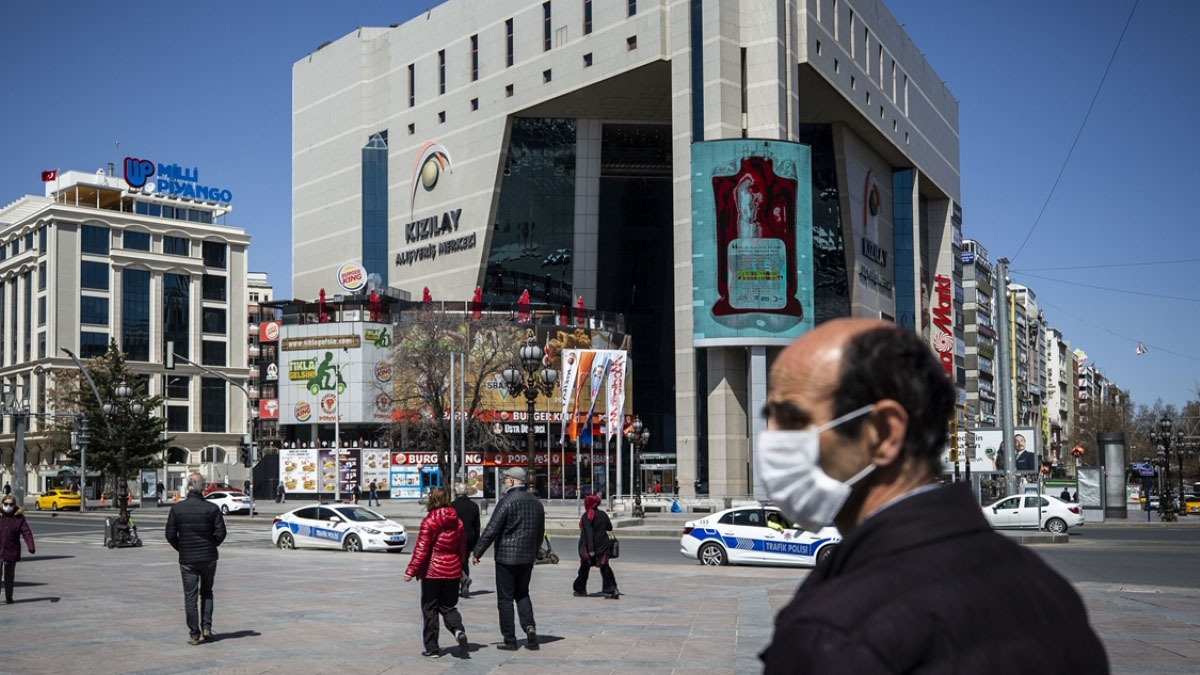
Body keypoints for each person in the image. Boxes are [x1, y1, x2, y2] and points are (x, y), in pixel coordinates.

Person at [757, 319, 1108, 673]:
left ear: (883, 434)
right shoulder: (1050, 593)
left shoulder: (831, 632)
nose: (769, 438)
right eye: (767, 418)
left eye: (791, 419)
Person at [471, 467, 545, 651]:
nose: (504, 483)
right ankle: (530, 628)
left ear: (512, 481)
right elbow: (540, 532)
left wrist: (478, 552)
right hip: (526, 558)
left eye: (505, 480)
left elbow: (492, 529)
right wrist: (534, 552)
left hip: (506, 558)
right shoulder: (536, 503)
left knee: (505, 599)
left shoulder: (507, 501)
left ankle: (510, 639)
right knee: (522, 594)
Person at [404, 488, 470, 659]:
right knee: (449, 607)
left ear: (431, 501)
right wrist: (460, 563)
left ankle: (432, 648)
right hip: (453, 570)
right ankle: (458, 631)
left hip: (432, 572)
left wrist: (411, 571)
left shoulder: (429, 521)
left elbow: (421, 549)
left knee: (430, 608)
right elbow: (462, 546)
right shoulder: (458, 521)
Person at [165, 473, 227, 645]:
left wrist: (182, 548)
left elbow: (170, 534)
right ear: (204, 488)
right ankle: (207, 627)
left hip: (188, 559)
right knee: (207, 592)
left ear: (188, 487)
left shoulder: (177, 509)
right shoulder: (212, 508)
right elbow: (221, 533)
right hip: (208, 558)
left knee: (190, 596)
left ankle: (194, 634)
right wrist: (211, 545)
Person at [572, 494, 619, 599]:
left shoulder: (586, 516)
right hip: (603, 546)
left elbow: (589, 533)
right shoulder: (603, 514)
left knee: (584, 568)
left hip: (589, 547)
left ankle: (580, 589)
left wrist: (590, 549)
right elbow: (609, 527)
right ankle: (611, 588)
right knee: (604, 567)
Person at [0, 494, 35, 604]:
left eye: (11, 504)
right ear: (2, 504)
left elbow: (26, 532)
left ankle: (9, 597)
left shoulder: (19, 518)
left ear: (15, 505)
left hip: (11, 551)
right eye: (6, 504)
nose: (8, 506)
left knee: (9, 576)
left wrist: (31, 546)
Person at [451, 483, 481, 598]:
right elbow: (477, 526)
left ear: (456, 492)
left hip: (455, 538)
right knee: (464, 562)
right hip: (469, 538)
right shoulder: (474, 506)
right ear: (467, 492)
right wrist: (477, 543)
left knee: (454, 562)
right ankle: (464, 585)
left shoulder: (452, 505)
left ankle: (463, 579)